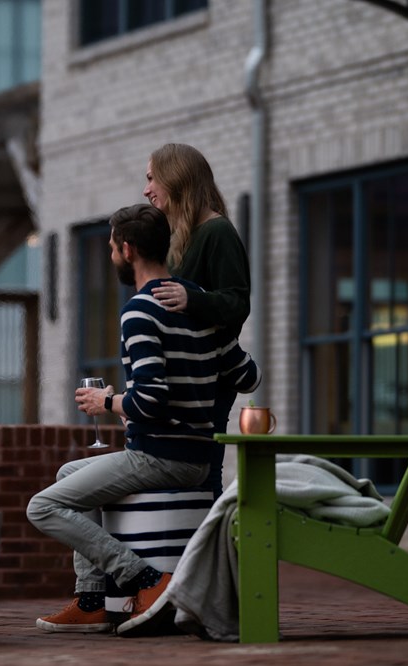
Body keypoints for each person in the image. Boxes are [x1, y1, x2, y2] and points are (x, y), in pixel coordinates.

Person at [26, 204, 261, 637]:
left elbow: (151, 399)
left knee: (43, 505)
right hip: (198, 457)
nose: (112, 255)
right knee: (69, 473)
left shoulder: (139, 312)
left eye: (113, 248)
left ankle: (146, 580)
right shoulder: (197, 303)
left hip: (159, 457)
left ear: (128, 250)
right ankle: (93, 598)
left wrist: (107, 400)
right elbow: (249, 376)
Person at [144, 142, 252, 495]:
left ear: (175, 179)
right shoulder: (178, 235)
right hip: (182, 379)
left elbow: (237, 303)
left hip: (210, 380)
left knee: (204, 476)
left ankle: (210, 549)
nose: (146, 191)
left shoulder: (217, 232)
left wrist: (192, 299)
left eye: (152, 179)